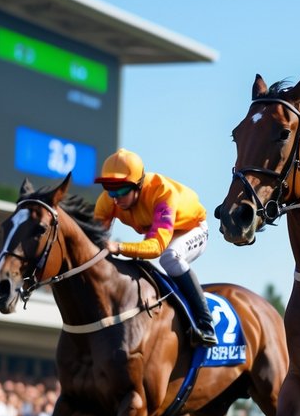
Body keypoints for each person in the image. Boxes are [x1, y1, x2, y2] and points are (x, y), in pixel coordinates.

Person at [93, 148, 217, 346]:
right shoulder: (108, 201)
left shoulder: (162, 192)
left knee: (170, 257)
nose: (116, 198)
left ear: (138, 184)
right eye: (110, 189)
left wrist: (118, 247)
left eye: (122, 190)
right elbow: (95, 241)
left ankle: (205, 323)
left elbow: (157, 246)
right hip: (159, 228)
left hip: (191, 227)